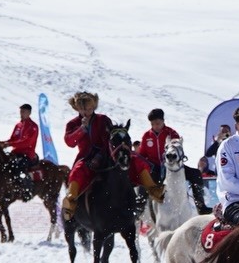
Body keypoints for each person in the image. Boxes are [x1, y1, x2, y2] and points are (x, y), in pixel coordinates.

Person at [61, 91, 163, 222]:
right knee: (77, 171)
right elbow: (69, 142)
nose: (87, 112)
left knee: (136, 159)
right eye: (84, 109)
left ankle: (153, 189)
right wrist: (81, 129)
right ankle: (70, 202)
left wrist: (100, 155)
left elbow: (109, 139)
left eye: (90, 108)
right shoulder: (72, 124)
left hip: (108, 153)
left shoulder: (103, 120)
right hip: (86, 157)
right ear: (78, 109)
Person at [137, 108, 182, 182]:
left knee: (194, 173)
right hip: (153, 167)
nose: (155, 126)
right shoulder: (147, 136)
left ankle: (198, 193)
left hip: (170, 164)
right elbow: (142, 155)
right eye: (152, 124)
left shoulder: (171, 133)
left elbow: (177, 149)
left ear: (163, 121)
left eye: (157, 123)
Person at [3, 103, 40, 181]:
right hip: (15, 153)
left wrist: (9, 144)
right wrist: (2, 143)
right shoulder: (18, 125)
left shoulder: (33, 126)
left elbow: (27, 142)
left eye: (24, 112)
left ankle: (26, 190)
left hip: (26, 154)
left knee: (19, 168)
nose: (21, 114)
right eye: (21, 111)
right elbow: (12, 139)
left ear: (29, 113)